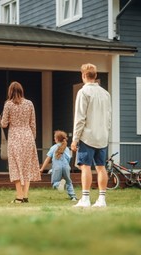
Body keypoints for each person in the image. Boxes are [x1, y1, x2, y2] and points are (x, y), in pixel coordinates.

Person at [71, 63, 111, 207]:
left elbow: (80, 118)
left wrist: (75, 139)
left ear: (83, 76)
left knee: (85, 167)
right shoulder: (106, 94)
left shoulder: (83, 92)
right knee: (101, 167)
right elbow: (109, 117)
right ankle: (102, 199)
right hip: (102, 136)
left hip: (87, 136)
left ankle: (86, 199)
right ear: (95, 76)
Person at [0, 81, 41, 203]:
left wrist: (2, 118)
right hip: (28, 136)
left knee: (15, 167)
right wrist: (32, 138)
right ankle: (25, 195)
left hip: (15, 137)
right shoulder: (29, 103)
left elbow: (4, 124)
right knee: (26, 167)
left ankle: (19, 196)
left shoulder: (8, 104)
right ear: (21, 91)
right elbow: (33, 123)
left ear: (10, 92)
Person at [40, 130, 77, 201]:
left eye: (54, 137)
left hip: (57, 167)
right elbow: (69, 158)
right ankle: (73, 197)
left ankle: (60, 184)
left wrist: (42, 169)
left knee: (54, 182)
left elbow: (47, 159)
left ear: (56, 139)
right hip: (66, 167)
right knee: (69, 182)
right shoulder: (66, 148)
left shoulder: (54, 147)